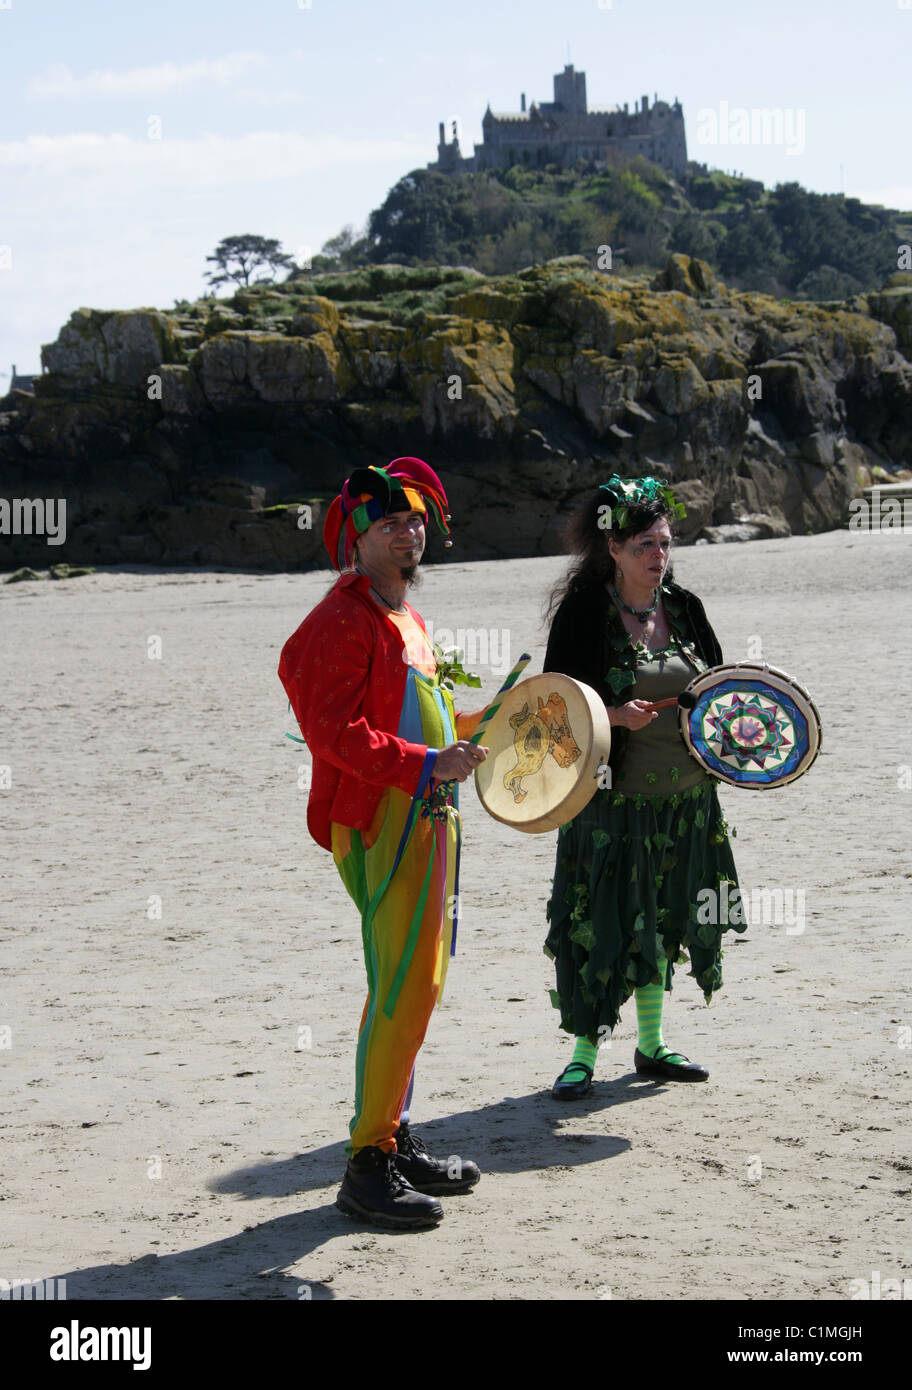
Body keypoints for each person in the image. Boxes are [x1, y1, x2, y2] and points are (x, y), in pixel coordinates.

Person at [278, 457, 488, 1229]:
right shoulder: (340, 619)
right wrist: (430, 763)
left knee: (419, 980)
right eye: (390, 524)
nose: (409, 532)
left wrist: (490, 723)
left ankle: (391, 1138)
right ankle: (367, 1167)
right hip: (383, 816)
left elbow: (423, 715)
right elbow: (332, 731)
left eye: (415, 520)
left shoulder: (404, 615)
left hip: (427, 809)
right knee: (403, 983)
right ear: (358, 539)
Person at [542, 475, 745, 1098]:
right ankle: (582, 1053)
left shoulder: (684, 606)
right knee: (601, 921)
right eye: (643, 547)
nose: (657, 556)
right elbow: (553, 710)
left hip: (686, 798)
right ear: (613, 550)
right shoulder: (584, 615)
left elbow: (720, 685)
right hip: (610, 799)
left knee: (664, 917)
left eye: (663, 543)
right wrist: (611, 711)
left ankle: (652, 1045)